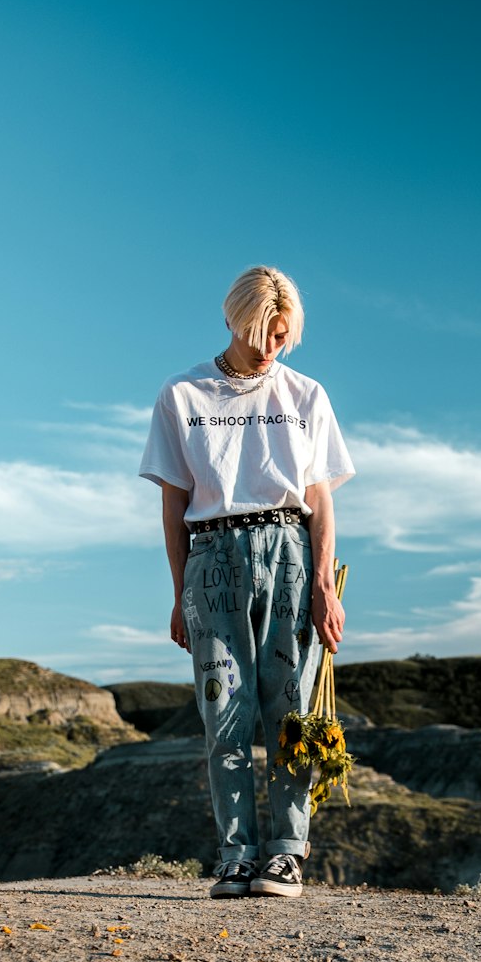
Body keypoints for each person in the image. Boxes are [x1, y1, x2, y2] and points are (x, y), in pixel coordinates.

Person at [139, 265, 354, 899]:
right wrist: (180, 593)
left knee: (290, 707)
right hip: (212, 557)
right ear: (232, 318)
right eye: (262, 333)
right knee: (222, 709)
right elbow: (174, 504)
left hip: (289, 549)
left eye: (282, 337)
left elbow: (320, 500)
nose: (270, 349)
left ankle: (287, 851)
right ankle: (236, 852)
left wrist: (322, 582)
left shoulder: (306, 396)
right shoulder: (183, 395)